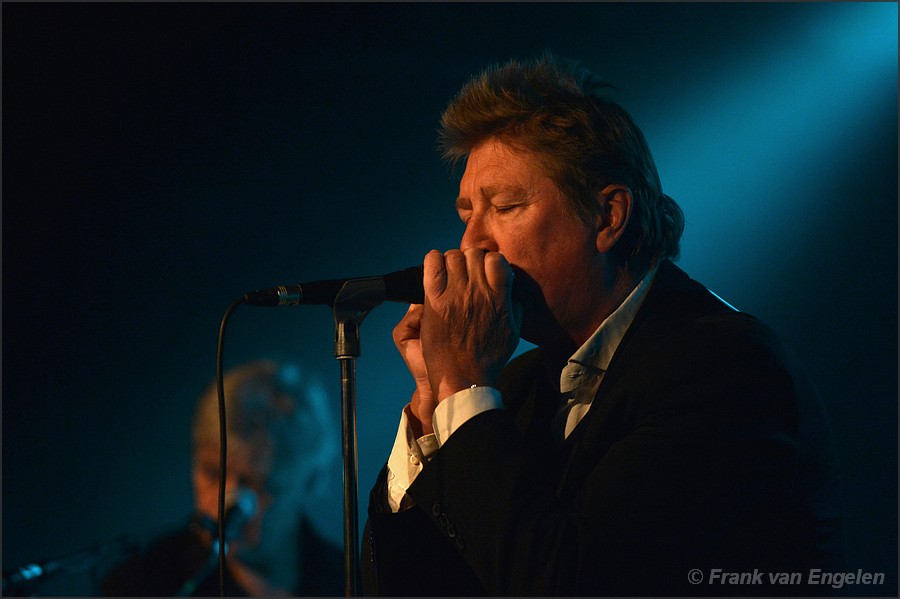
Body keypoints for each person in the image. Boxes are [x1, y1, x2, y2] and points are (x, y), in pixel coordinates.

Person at [362, 54, 844, 596]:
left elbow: (578, 583)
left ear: (608, 216)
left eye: (506, 206)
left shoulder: (726, 368)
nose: (472, 242)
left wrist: (465, 386)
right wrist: (433, 401)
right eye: (466, 214)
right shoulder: (517, 388)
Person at [103, 360, 344, 597]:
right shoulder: (141, 583)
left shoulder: (351, 581)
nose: (227, 499)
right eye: (212, 473)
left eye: (257, 483)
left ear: (312, 479)